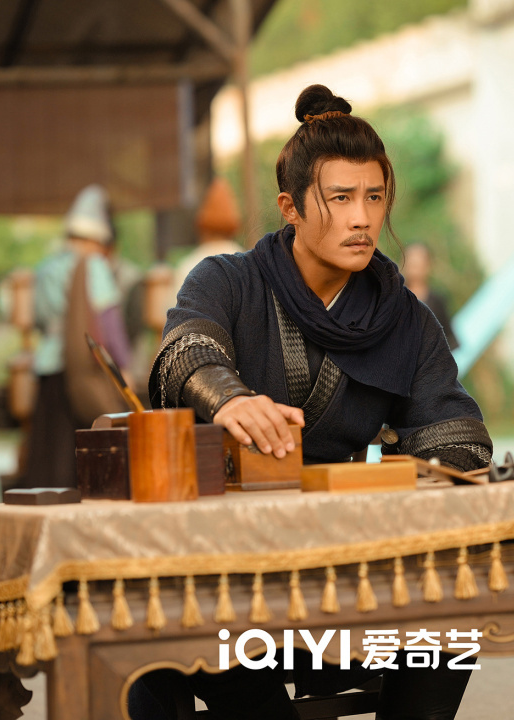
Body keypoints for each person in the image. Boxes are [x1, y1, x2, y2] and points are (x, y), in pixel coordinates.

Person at [141, 84, 491, 720]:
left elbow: (456, 436)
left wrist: (415, 477)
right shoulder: (227, 282)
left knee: (448, 635)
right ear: (291, 208)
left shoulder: (405, 318)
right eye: (340, 198)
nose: (362, 219)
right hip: (230, 578)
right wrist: (229, 399)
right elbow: (185, 352)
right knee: (165, 639)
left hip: (345, 577)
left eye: (374, 197)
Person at [23, 184, 132, 488]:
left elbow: (38, 320)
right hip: (83, 366)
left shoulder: (47, 267)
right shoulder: (94, 266)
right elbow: (108, 322)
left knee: (49, 449)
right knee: (80, 451)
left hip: (49, 365)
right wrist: (123, 366)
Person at [401, 243, 458, 349]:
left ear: (428, 265)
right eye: (411, 260)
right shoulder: (394, 297)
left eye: (418, 261)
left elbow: (451, 340)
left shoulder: (437, 301)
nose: (414, 264)